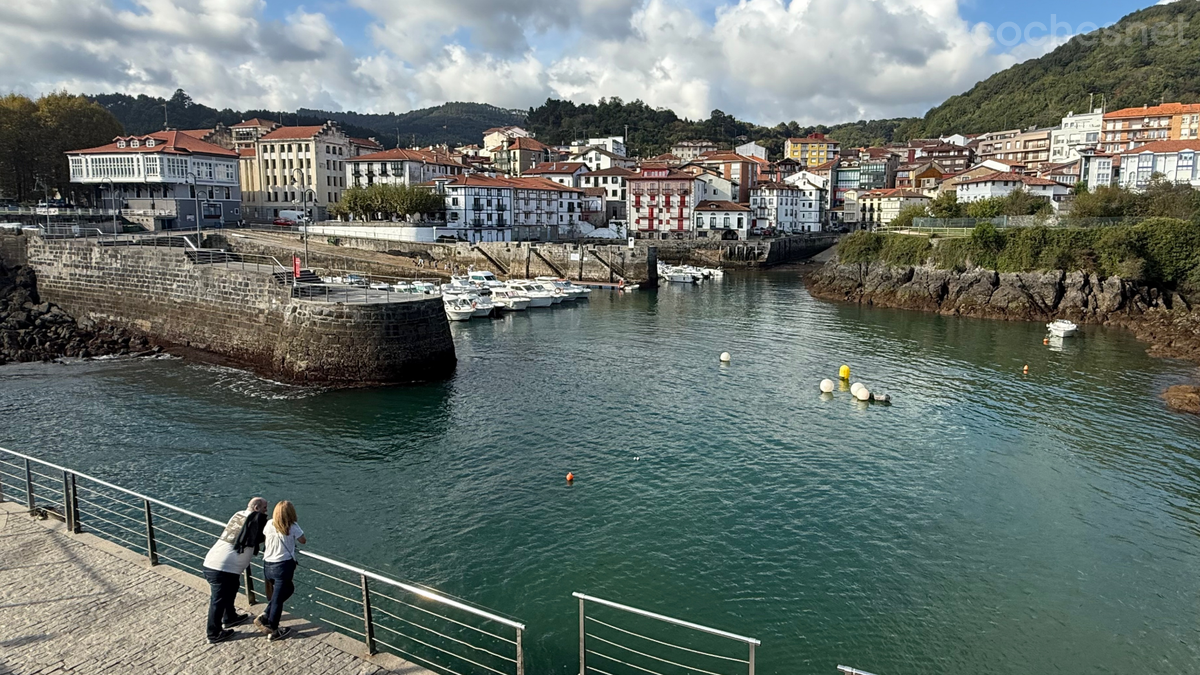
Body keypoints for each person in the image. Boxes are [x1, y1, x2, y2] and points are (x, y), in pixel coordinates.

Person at [202, 497, 269, 644]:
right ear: (257, 509)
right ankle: (213, 633)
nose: (266, 511)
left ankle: (230, 617)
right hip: (222, 568)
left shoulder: (238, 514)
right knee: (218, 601)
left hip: (214, 562)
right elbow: (264, 533)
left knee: (232, 588)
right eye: (265, 508)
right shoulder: (256, 520)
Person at [255, 500, 306, 641]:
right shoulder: (292, 526)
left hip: (268, 565)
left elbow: (266, 536)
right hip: (283, 566)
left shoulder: (270, 523)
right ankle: (274, 630)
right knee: (278, 599)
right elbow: (303, 540)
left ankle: (266, 615)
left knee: (286, 591)